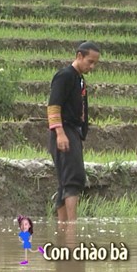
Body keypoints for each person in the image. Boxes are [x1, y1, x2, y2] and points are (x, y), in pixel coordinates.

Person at [47, 41, 100, 223]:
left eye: (95, 63)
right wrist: (60, 133)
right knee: (73, 178)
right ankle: (71, 226)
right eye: (89, 61)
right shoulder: (65, 76)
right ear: (79, 56)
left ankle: (63, 227)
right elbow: (53, 107)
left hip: (73, 132)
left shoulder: (79, 79)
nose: (92, 66)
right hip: (65, 130)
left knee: (67, 179)